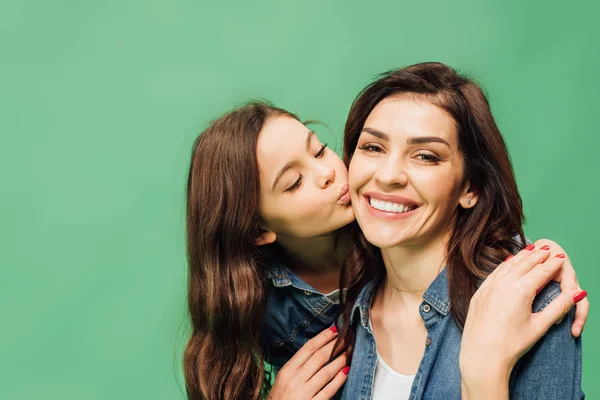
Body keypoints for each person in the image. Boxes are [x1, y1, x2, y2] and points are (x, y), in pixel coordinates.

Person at [183, 98, 588, 398]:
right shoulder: (263, 307)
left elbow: (460, 222)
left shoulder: (385, 221)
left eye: (320, 149)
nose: (327, 173)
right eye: (294, 183)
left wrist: (536, 257)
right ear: (258, 230)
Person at [335, 62, 585, 399]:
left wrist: (484, 378)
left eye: (425, 156)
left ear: (471, 188)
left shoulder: (531, 305)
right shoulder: (329, 300)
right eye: (373, 147)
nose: (388, 175)